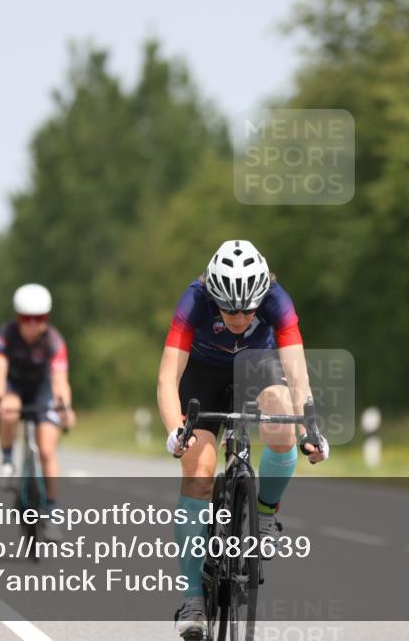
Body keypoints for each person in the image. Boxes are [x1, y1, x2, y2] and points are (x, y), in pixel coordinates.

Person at [157, 240, 329, 638]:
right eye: (228, 308)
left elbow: (297, 372)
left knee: (282, 417)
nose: (238, 316)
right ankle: (193, 597)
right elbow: (168, 377)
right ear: (213, 296)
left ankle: (265, 514)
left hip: (260, 364)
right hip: (203, 371)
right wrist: (174, 430)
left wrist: (310, 428)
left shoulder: (277, 302)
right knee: (198, 471)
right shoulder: (193, 302)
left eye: (247, 309)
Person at [0, 283, 76, 537]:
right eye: (27, 318)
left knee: (47, 449)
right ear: (18, 318)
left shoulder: (54, 341)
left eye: (40, 318)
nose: (33, 324)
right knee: (10, 408)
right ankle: (7, 461)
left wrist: (65, 407)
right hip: (13, 387)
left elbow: (60, 382)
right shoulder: (5, 335)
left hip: (42, 390)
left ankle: (53, 510)